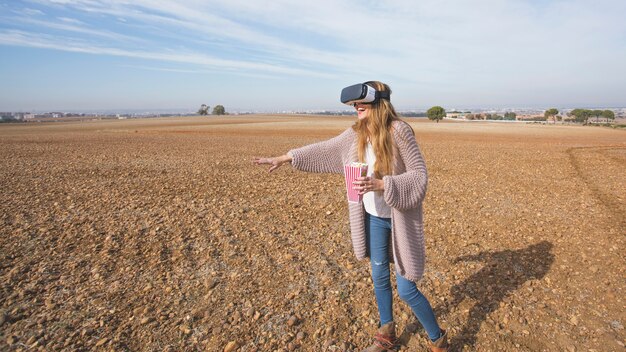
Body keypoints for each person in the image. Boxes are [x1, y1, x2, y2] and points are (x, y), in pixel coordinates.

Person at [253, 81, 448, 352]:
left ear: (379, 102)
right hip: (373, 217)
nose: (356, 107)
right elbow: (325, 149)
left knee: (406, 289)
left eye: (361, 102)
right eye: (354, 104)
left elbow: (419, 175)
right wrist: (285, 158)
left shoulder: (399, 131)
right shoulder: (356, 133)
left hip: (399, 219)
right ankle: (387, 332)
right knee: (379, 275)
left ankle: (438, 340)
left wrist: (383, 184)